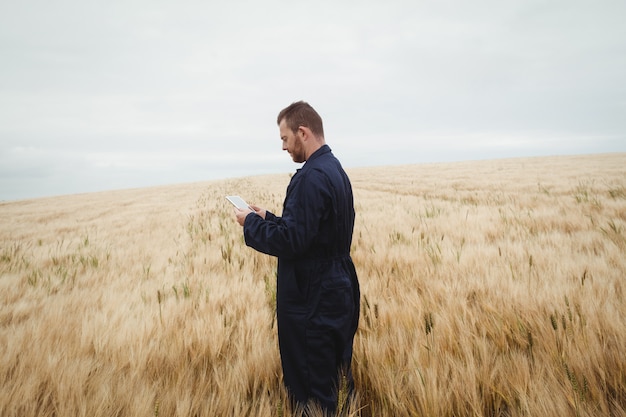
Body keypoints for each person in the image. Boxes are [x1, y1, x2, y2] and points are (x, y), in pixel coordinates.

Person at [233, 101, 360, 413]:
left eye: (284, 138)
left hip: (312, 296)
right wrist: (269, 218)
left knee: (312, 386)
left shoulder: (309, 177)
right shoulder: (334, 170)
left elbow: (293, 241)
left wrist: (249, 223)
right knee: (335, 377)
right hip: (339, 287)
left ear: (303, 132)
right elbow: (314, 234)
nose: (283, 147)